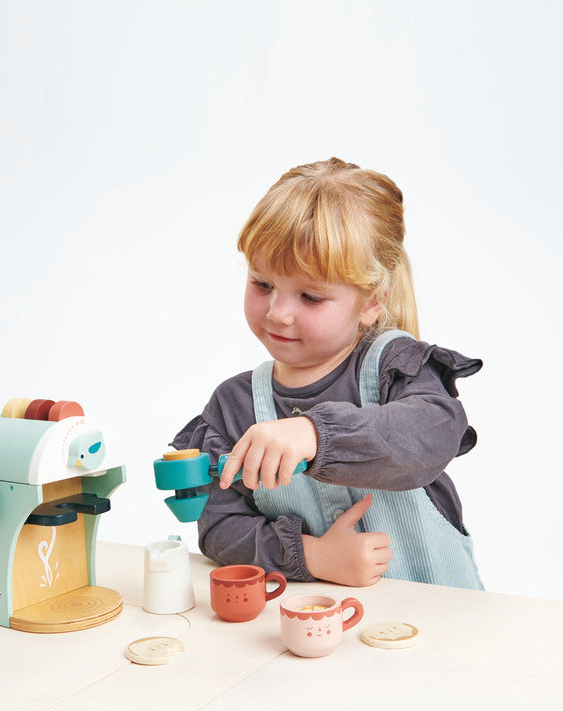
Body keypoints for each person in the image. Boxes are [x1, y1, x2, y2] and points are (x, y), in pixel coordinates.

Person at [168, 157, 483, 589]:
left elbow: (435, 431)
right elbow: (219, 528)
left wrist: (315, 434)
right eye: (263, 284)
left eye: (311, 297)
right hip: (323, 624)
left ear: (372, 302)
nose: (278, 313)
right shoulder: (233, 407)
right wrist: (312, 556)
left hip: (441, 615)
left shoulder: (393, 365)